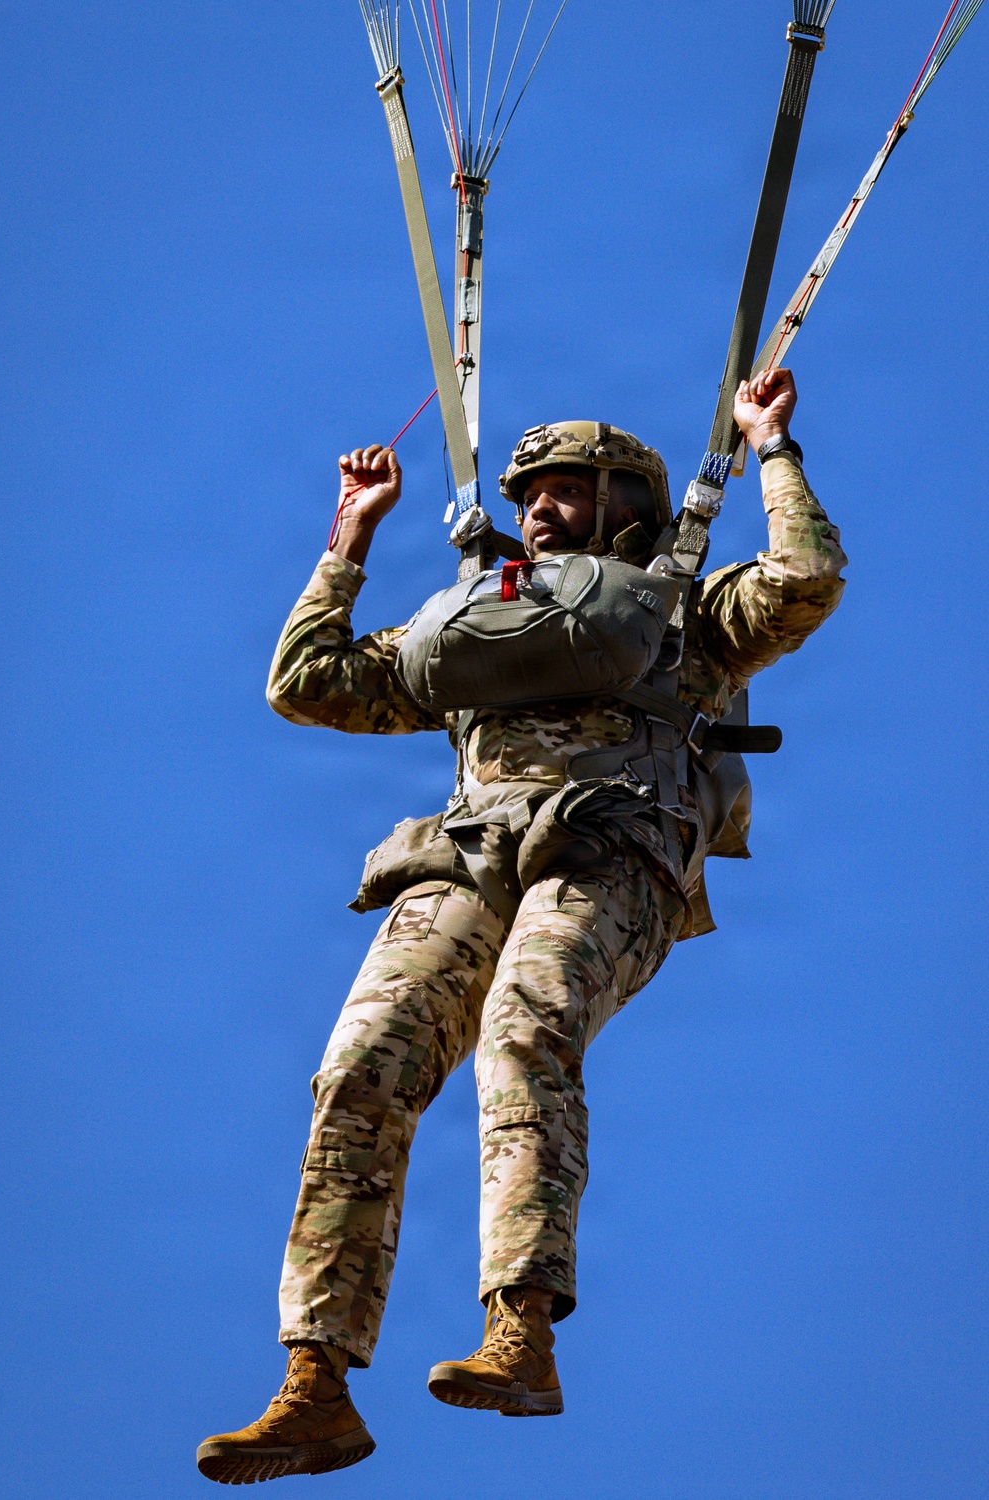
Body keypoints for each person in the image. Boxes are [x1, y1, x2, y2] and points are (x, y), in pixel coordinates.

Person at [197, 368, 846, 1484]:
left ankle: (523, 1332)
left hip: (612, 849)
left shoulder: (686, 604)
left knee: (521, 1031)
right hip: (470, 854)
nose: (536, 506)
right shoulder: (482, 616)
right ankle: (316, 1386)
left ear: (624, 502)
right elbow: (307, 683)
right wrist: (349, 538)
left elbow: (804, 579)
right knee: (359, 1069)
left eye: (563, 489)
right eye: (529, 490)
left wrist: (768, 450)